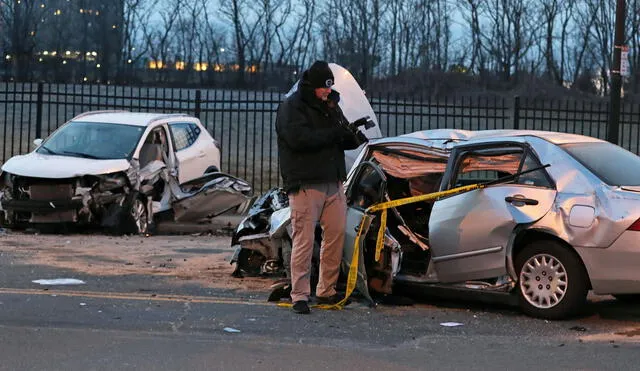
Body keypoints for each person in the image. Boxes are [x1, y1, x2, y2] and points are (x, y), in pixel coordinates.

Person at [275, 60, 366, 314]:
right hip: (306, 182)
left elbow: (340, 136)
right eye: (323, 88)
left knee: (335, 236)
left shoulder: (330, 105)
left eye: (330, 87)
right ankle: (300, 295)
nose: (328, 91)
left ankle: (326, 290)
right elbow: (298, 139)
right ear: (312, 85)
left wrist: (353, 134)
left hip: (333, 180)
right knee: (303, 239)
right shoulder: (292, 107)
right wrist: (334, 135)